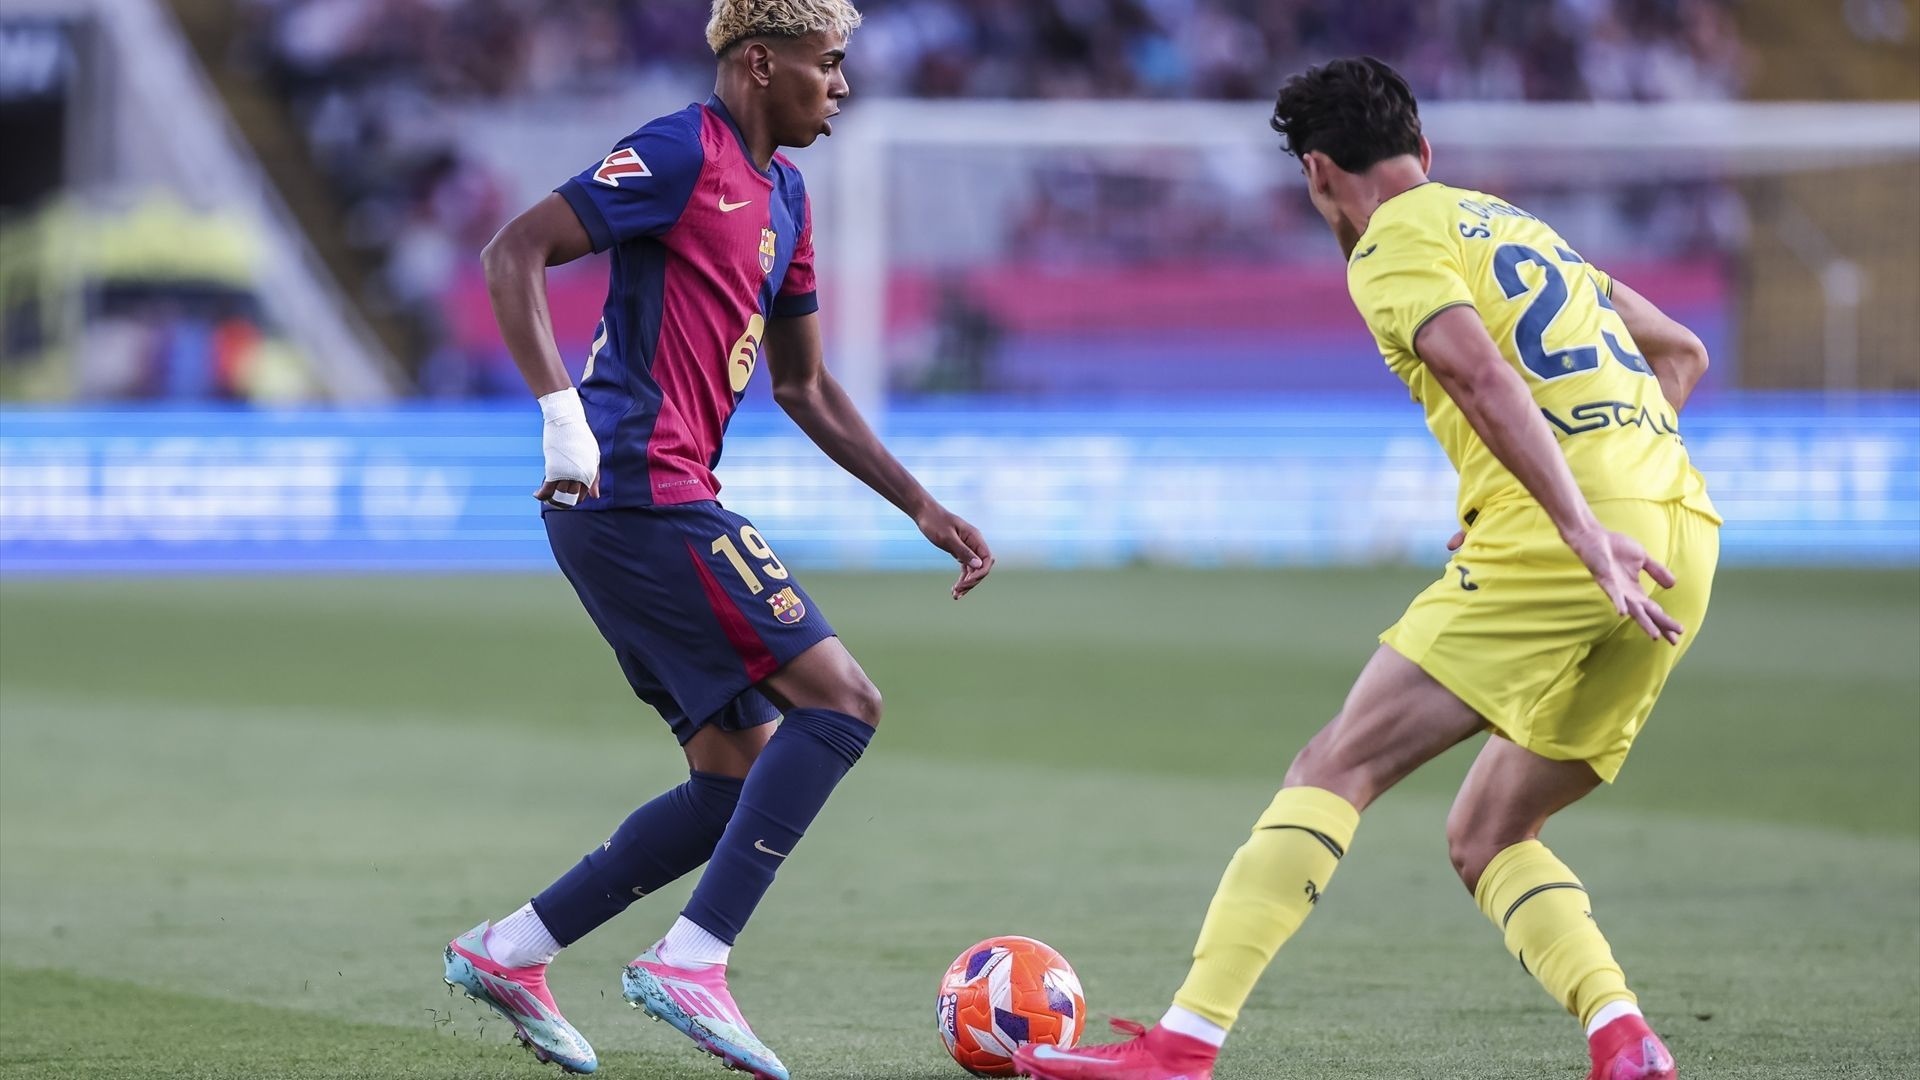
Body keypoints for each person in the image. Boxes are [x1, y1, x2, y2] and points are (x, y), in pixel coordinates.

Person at [1016, 56, 1717, 1080]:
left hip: (1585, 542)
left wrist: (1574, 522)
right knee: (1490, 831)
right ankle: (1625, 1041)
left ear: (1316, 174)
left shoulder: (1390, 243)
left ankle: (1181, 1049)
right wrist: (1618, 494)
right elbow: (1683, 351)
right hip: (1682, 541)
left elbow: (1474, 369)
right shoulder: (1516, 226)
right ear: (1424, 151)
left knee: (1334, 764)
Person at [441, 3, 994, 1077]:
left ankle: (512, 951)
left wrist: (917, 502)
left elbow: (804, 383)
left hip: (647, 503)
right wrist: (563, 418)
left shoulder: (787, 194)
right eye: (826, 64)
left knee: (733, 776)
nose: (840, 86)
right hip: (637, 491)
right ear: (759, 63)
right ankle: (694, 959)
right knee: (842, 701)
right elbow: (514, 254)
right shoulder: (678, 152)